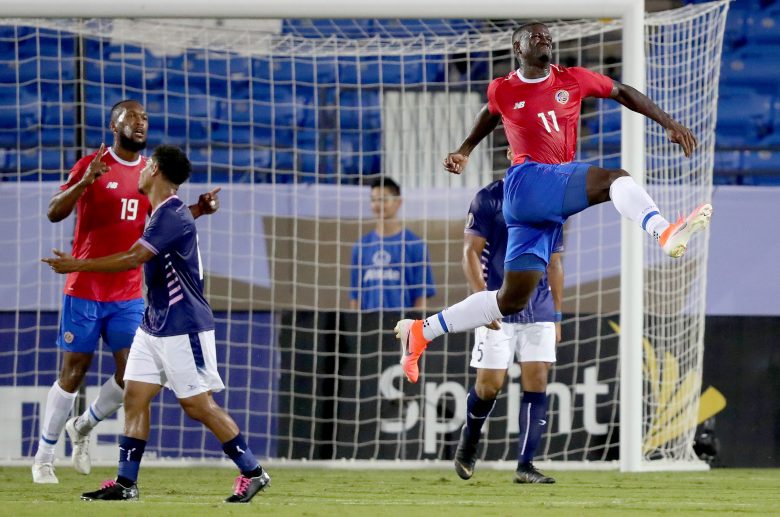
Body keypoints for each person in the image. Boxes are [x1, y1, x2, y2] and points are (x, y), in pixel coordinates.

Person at [395, 22, 712, 385]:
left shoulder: (573, 79)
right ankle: (663, 231)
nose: (544, 38)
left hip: (540, 202)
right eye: (535, 36)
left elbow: (622, 91)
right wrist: (465, 149)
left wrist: (668, 122)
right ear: (518, 48)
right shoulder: (504, 88)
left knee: (511, 300)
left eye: (547, 35)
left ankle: (422, 331)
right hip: (529, 180)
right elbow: (489, 113)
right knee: (614, 179)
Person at [43, 145, 271, 503]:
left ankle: (253, 472)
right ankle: (126, 483)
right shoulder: (165, 212)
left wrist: (78, 265)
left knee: (197, 406)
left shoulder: (171, 213)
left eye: (148, 164)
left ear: (158, 172)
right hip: (155, 323)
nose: (142, 169)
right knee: (134, 396)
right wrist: (201, 209)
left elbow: (135, 257)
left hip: (184, 324)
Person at [33, 99, 220, 484]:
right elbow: (54, 211)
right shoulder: (92, 164)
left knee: (130, 376)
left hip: (129, 294)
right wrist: (86, 182)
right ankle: (44, 457)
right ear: (113, 125)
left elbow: (160, 225)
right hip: (85, 288)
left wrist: (197, 210)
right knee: (74, 371)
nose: (141, 122)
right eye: (132, 117)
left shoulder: (150, 173)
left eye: (145, 118)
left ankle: (83, 426)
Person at [456, 150, 562, 484]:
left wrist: (557, 314)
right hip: (498, 305)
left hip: (539, 304)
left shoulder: (553, 203)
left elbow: (556, 262)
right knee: (489, 385)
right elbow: (470, 253)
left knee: (538, 379)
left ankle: (525, 466)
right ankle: (470, 440)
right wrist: (480, 301)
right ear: (510, 154)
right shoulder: (488, 198)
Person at [350, 177, 436, 311]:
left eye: (383, 199)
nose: (377, 205)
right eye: (373, 200)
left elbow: (421, 298)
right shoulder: (361, 246)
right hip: (367, 327)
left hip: (402, 326)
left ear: (398, 202)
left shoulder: (416, 245)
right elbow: (355, 297)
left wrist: (414, 330)